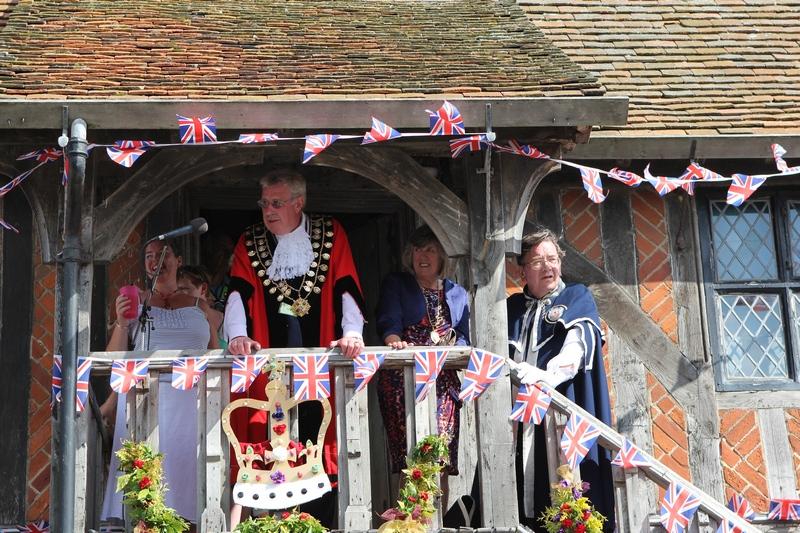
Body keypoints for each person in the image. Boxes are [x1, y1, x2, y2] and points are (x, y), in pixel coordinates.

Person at [223, 169, 365, 526]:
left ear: (298, 203)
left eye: (276, 203)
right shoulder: (251, 240)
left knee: (321, 437)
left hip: (319, 362)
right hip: (269, 363)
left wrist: (352, 332)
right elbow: (239, 291)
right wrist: (238, 334)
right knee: (267, 440)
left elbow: (345, 284)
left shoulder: (330, 233)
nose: (268, 210)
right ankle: (270, 521)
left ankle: (323, 522)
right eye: (264, 203)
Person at [100, 240, 220, 528]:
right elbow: (113, 359)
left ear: (178, 260)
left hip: (191, 403)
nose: (156, 260)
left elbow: (216, 356)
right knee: (144, 479)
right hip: (143, 399)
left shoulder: (199, 306)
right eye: (149, 256)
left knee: (187, 478)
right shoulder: (137, 303)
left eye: (163, 254)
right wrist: (120, 321)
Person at [506, 228, 614, 532]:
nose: (548, 267)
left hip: (561, 416)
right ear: (524, 269)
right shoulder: (511, 308)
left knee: (566, 494)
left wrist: (548, 375)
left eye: (552, 259)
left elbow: (577, 347)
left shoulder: (576, 296)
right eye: (538, 261)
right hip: (518, 423)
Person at [375, 225, 469, 476]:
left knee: (441, 455)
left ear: (442, 257)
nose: (422, 256)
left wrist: (456, 352)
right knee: (411, 458)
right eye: (417, 250)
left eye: (430, 250)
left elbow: (463, 335)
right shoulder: (398, 283)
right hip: (403, 378)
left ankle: (437, 515)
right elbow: (388, 320)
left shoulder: (457, 293)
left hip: (444, 379)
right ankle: (410, 516)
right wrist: (393, 340)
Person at [177, 264, 224, 349]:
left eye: (183, 289)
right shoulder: (176, 321)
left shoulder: (228, 321)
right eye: (175, 291)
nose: (177, 295)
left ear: (203, 288)